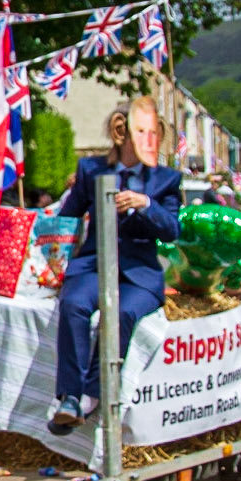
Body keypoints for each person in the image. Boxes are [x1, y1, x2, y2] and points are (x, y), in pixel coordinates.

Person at [51, 96, 182, 429]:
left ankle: (91, 395)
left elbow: (172, 229)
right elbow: (67, 219)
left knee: (122, 313)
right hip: (93, 266)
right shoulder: (91, 169)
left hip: (138, 274)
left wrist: (145, 203)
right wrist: (50, 257)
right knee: (74, 305)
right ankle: (69, 396)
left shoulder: (166, 179)